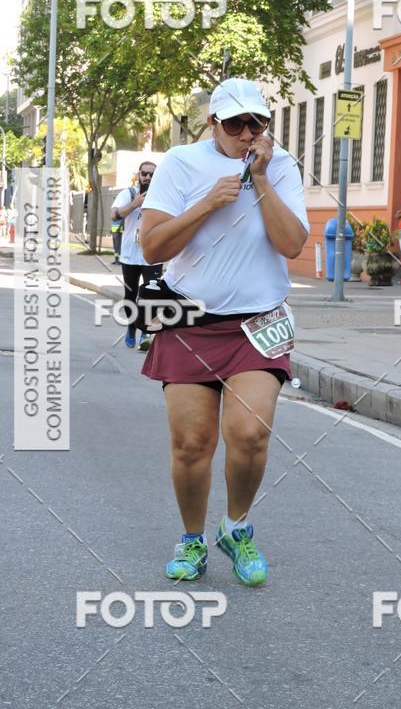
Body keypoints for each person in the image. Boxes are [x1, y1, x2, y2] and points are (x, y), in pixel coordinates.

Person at [139, 77, 309, 586]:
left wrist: (261, 180)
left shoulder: (280, 167)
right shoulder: (180, 163)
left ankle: (236, 528)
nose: (246, 132)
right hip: (188, 321)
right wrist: (208, 204)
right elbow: (152, 248)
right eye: (234, 123)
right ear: (213, 123)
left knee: (250, 435)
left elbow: (293, 244)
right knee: (192, 443)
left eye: (256, 122)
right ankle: (192, 540)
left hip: (258, 324)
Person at [111, 162, 162, 350]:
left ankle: (146, 332)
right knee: (130, 295)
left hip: (154, 254)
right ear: (138, 175)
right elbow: (114, 215)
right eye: (144, 174)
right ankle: (132, 327)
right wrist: (134, 205)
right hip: (130, 256)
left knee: (152, 295)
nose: (147, 178)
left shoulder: (163, 194)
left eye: (151, 174)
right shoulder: (128, 194)